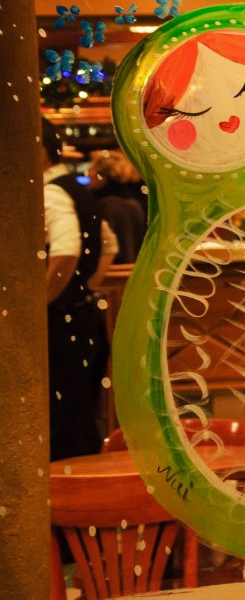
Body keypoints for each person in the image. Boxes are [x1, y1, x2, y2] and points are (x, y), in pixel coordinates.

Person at [42, 118, 111, 461]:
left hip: (61, 325)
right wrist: (86, 288)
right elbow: (108, 246)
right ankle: (91, 508)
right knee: (81, 418)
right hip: (83, 317)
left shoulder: (49, 192)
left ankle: (72, 510)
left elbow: (67, 252)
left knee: (64, 424)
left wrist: (37, 303)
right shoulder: (76, 188)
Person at [87, 150, 147, 264]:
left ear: (100, 175)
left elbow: (109, 250)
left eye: (91, 170)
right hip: (133, 269)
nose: (89, 175)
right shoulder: (132, 202)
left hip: (113, 274)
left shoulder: (107, 205)